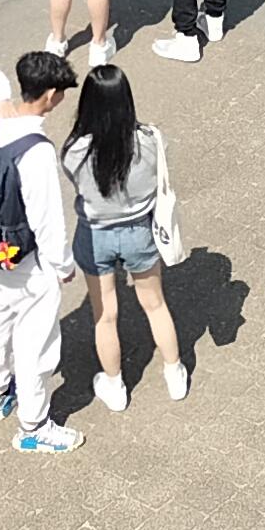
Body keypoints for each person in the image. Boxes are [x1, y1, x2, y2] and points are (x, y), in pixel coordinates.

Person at [0, 49, 85, 453]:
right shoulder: (38, 150)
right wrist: (62, 266)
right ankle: (34, 425)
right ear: (49, 96)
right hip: (28, 260)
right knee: (36, 343)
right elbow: (48, 220)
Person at [58, 61, 189, 408]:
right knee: (155, 304)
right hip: (139, 233)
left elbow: (75, 181)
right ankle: (174, 373)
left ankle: (114, 387)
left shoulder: (75, 150)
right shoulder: (149, 140)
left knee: (105, 314)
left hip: (95, 234)